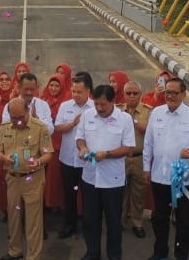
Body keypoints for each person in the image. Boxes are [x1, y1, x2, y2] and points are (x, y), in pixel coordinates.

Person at [143, 78, 189, 260]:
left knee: (184, 221)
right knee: (159, 217)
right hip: (159, 175)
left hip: (183, 176)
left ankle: (181, 255)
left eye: (174, 93)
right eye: (167, 92)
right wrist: (146, 168)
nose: (169, 96)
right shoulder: (156, 112)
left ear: (184, 94)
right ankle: (160, 251)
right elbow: (148, 143)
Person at [76, 84, 136, 260]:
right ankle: (92, 253)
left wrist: (107, 154)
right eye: (97, 104)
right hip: (90, 177)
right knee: (90, 219)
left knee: (113, 221)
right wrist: (82, 148)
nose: (100, 108)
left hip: (113, 180)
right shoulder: (87, 116)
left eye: (104, 104)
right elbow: (79, 138)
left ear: (113, 102)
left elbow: (128, 148)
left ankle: (114, 255)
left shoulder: (125, 119)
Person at [0, 97, 54, 260]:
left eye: (21, 117)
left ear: (28, 112)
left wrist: (39, 161)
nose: (18, 121)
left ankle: (33, 256)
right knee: (13, 218)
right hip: (13, 179)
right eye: (14, 118)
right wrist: (3, 158)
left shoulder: (40, 127)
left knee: (33, 220)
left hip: (32, 179)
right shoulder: (5, 128)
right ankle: (15, 251)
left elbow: (49, 153)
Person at [54, 71, 94, 239]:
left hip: (87, 161)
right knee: (69, 195)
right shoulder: (65, 106)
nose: (76, 95)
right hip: (67, 159)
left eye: (79, 92)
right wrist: (72, 124)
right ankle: (69, 224)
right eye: (74, 91)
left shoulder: (94, 107)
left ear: (88, 91)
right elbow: (57, 128)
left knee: (88, 196)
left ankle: (89, 225)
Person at [120, 80, 150, 238]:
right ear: (123, 94)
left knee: (139, 193)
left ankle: (137, 223)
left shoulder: (148, 111)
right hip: (121, 158)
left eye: (135, 93)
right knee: (121, 192)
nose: (131, 96)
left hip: (140, 158)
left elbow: (150, 131)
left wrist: (135, 121)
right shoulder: (117, 111)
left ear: (141, 94)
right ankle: (120, 221)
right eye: (128, 93)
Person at [0, 71, 16, 223]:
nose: (4, 82)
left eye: (7, 79)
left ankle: (14, 207)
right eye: (1, 80)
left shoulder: (15, 97)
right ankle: (3, 208)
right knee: (1, 178)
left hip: (14, 141)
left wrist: (11, 100)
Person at [40, 74, 69, 212]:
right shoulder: (42, 100)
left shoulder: (66, 102)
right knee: (44, 177)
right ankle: (46, 203)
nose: (53, 88)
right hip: (44, 144)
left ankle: (56, 204)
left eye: (57, 86)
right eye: (51, 85)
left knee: (55, 178)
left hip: (59, 144)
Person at [2, 73, 54, 137]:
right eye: (26, 89)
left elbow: (50, 131)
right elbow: (5, 130)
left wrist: (37, 120)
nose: (29, 92)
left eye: (32, 89)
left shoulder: (43, 105)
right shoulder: (10, 106)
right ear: (19, 88)